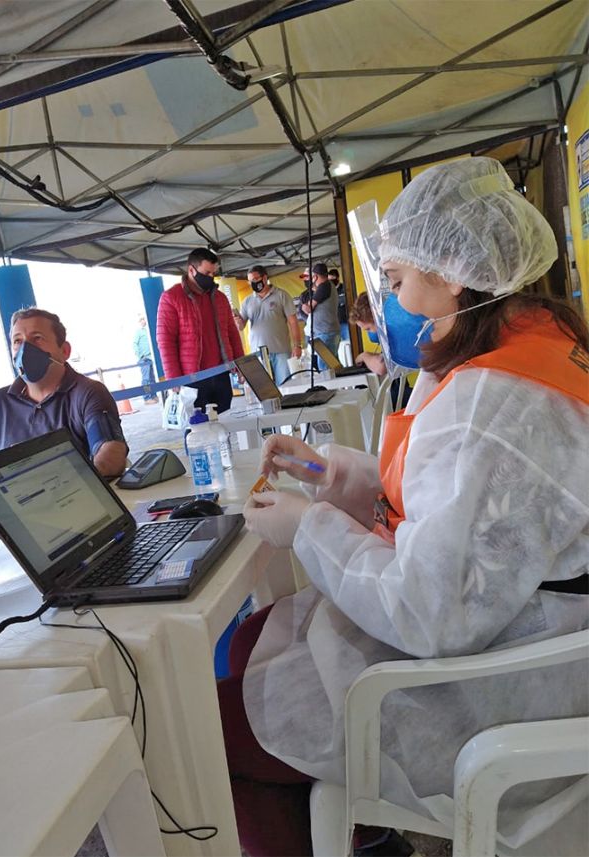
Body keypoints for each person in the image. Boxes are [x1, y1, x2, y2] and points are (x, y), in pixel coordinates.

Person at [219, 157, 589, 856]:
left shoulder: (489, 402)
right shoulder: (531, 338)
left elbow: (428, 611)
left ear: (453, 271)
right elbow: (463, 507)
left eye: (393, 282)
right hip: (529, 626)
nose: (385, 301)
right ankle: (372, 830)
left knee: (226, 731)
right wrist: (337, 478)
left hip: (511, 678)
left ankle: (355, 815)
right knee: (250, 643)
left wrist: (309, 525)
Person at [0, 308, 128, 477]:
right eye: (17, 341)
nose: (25, 348)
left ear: (64, 351)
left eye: (37, 338)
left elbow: (111, 454)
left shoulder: (87, 393)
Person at [156, 248, 244, 413]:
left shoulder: (220, 298)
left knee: (225, 426)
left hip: (221, 374)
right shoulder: (171, 298)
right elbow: (165, 340)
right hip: (191, 378)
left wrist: (241, 365)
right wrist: (174, 379)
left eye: (213, 273)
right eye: (206, 273)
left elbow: (232, 333)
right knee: (196, 429)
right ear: (191, 270)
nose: (210, 277)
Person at [233, 265, 302, 386]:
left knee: (285, 386)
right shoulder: (247, 301)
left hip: (281, 351)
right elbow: (241, 326)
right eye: (250, 281)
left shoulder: (281, 295)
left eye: (255, 279)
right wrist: (237, 321)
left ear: (264, 278)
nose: (253, 283)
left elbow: (293, 322)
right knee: (265, 389)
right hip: (258, 353)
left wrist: (297, 345)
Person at [301, 262, 340, 371]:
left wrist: (305, 305)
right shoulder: (328, 286)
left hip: (326, 332)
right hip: (327, 331)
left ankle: (330, 387)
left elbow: (309, 308)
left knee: (325, 367)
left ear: (315, 276)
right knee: (333, 365)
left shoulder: (324, 286)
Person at [132, 316, 159, 404]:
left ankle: (153, 395)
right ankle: (147, 398)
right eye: (141, 319)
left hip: (150, 357)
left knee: (152, 378)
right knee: (146, 379)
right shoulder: (139, 332)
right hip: (144, 359)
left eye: (144, 319)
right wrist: (140, 356)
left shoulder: (148, 331)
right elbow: (134, 344)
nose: (143, 321)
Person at [329, 267, 350, 341]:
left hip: (345, 322)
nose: (331, 281)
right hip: (334, 324)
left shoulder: (345, 288)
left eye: (333, 278)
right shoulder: (329, 291)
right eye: (329, 279)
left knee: (348, 343)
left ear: (338, 278)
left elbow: (346, 300)